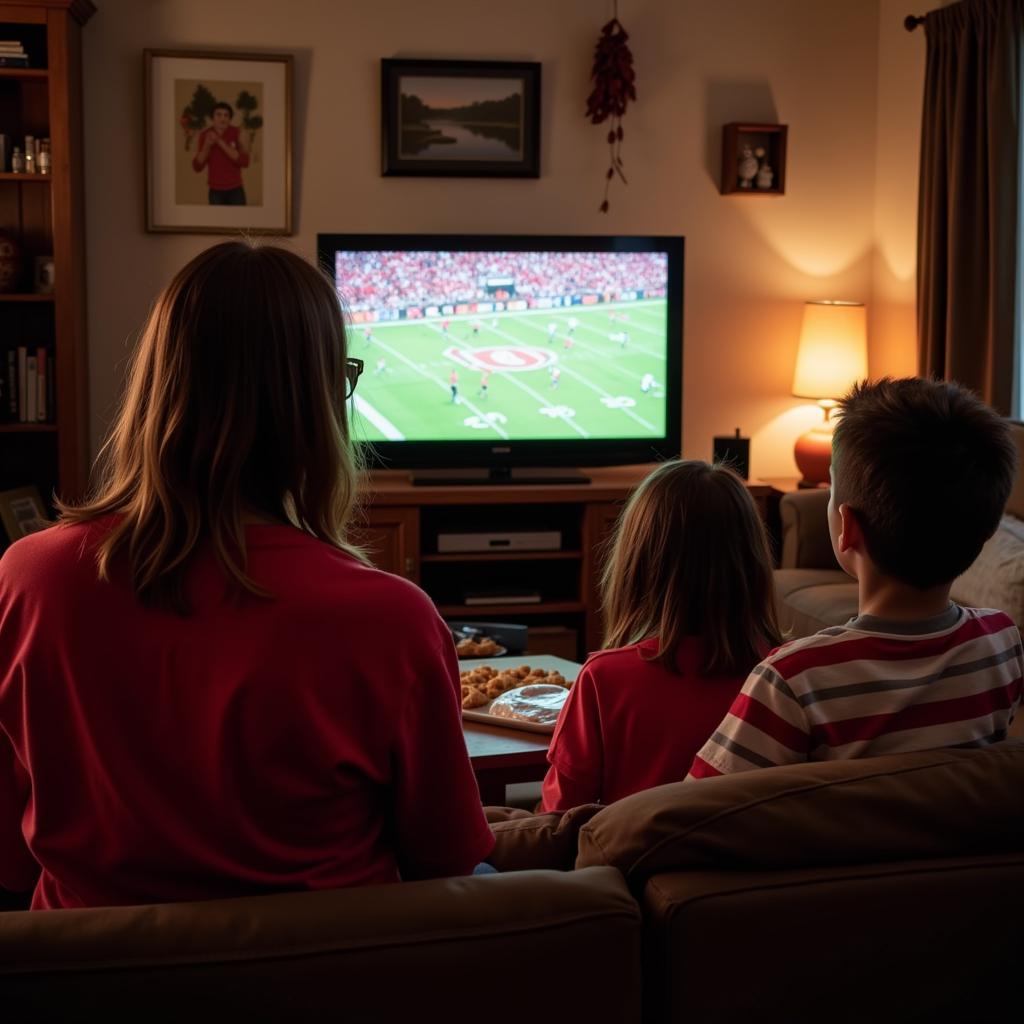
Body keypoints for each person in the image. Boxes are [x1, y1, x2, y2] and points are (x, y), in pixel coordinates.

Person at [0, 241, 494, 909]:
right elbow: (448, 859)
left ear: (157, 384)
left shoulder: (30, 577)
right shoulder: (392, 617)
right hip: (324, 978)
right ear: (316, 402)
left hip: (92, 978)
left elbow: (10, 857)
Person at [689, 377, 1023, 780]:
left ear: (847, 527)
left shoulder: (794, 678)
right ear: (985, 533)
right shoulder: (1002, 644)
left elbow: (696, 810)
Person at [540, 460, 780, 811]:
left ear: (635, 561)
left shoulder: (603, 678)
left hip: (628, 862)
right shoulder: (786, 672)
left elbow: (557, 818)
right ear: (753, 560)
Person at [191, 101, 251, 206]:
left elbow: (245, 162)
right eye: (218, 115)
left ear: (230, 118)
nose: (222, 118)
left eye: (226, 115)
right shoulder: (204, 135)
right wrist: (206, 145)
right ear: (212, 118)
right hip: (215, 191)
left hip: (236, 189)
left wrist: (219, 141)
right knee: (217, 223)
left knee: (241, 222)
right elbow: (197, 167)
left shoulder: (238, 133)